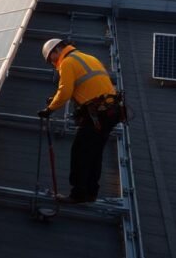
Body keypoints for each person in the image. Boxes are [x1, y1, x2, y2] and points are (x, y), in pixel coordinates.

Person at [37, 38, 124, 204]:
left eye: (51, 59)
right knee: (94, 153)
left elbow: (65, 91)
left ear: (56, 51)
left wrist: (49, 110)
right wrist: (55, 99)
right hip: (112, 112)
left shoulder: (67, 63)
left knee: (80, 153)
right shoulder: (88, 57)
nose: (53, 62)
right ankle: (91, 192)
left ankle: (79, 195)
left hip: (97, 115)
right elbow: (85, 86)